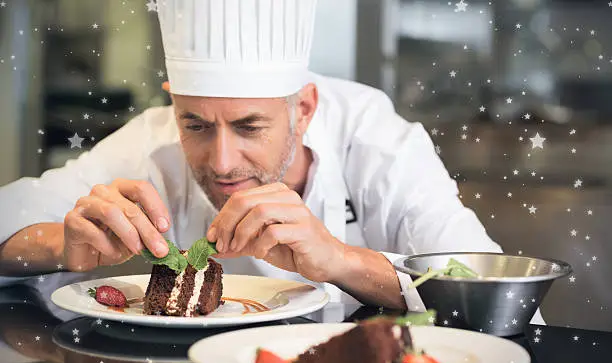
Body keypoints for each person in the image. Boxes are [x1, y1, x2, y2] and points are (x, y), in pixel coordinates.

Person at [0, 0, 513, 321]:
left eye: (249, 127)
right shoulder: (152, 142)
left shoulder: (380, 142)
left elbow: (495, 291)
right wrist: (61, 244)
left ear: (304, 109)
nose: (221, 162)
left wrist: (343, 261)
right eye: (196, 125)